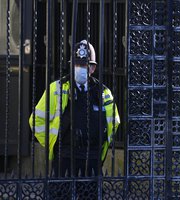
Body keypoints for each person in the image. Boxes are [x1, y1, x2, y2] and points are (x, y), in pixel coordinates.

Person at [29, 40, 120, 177]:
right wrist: (52, 143)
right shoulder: (57, 88)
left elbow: (114, 123)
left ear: (92, 68)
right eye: (77, 64)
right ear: (71, 66)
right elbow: (36, 121)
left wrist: (100, 146)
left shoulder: (103, 92)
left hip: (92, 157)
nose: (80, 68)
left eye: (84, 65)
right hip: (64, 155)